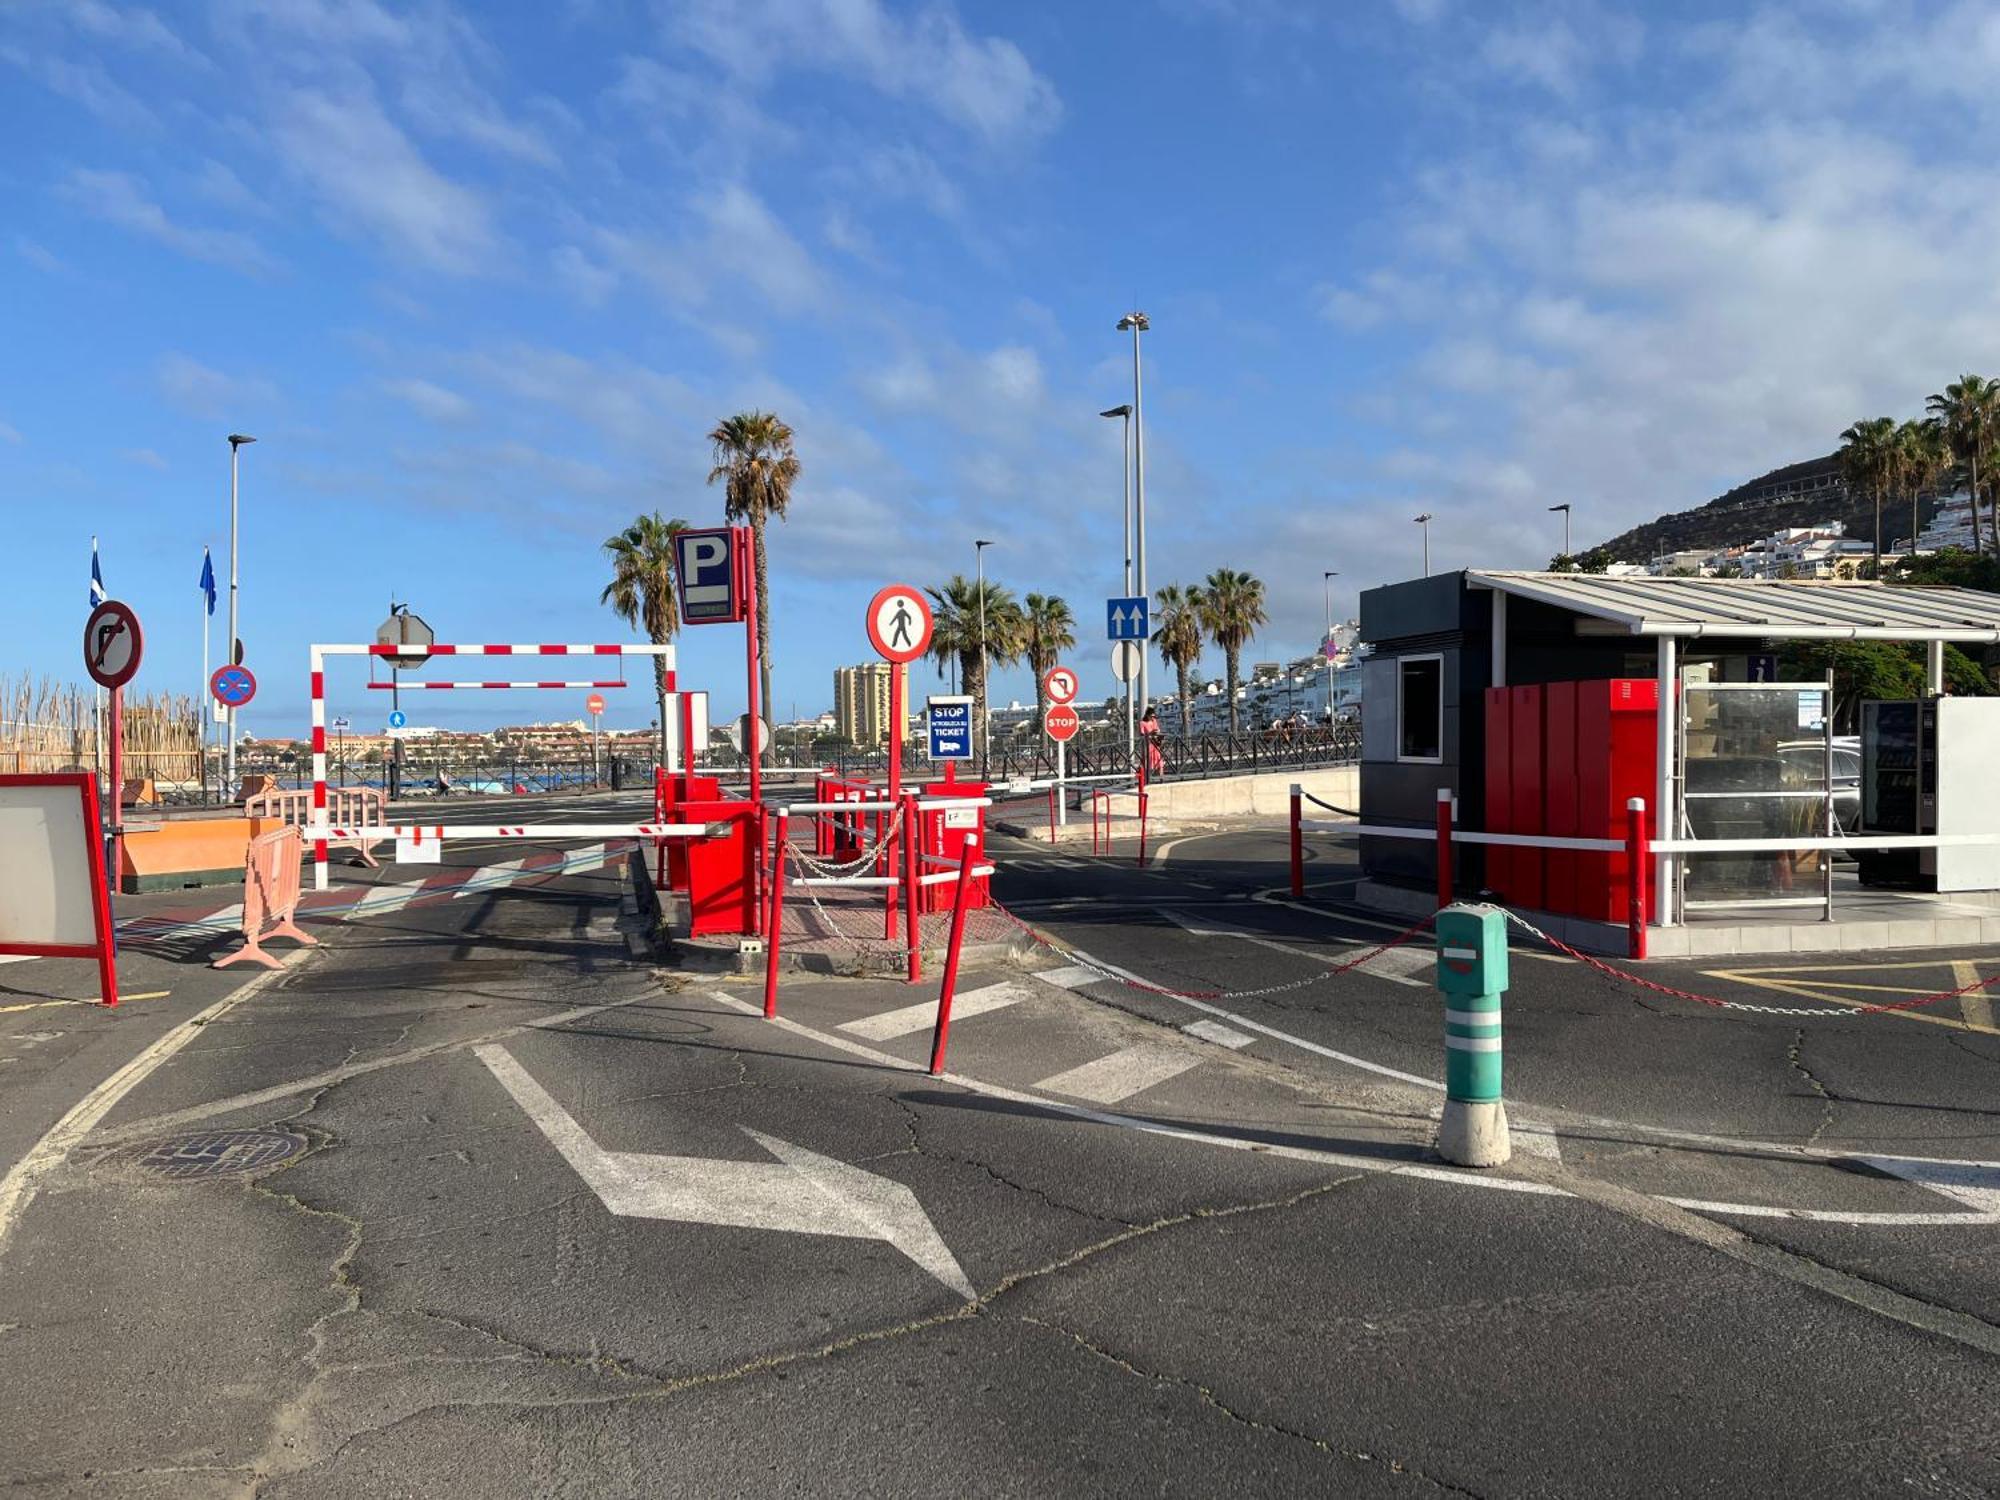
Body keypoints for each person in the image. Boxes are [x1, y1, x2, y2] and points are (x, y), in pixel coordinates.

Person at [1139, 709, 1165, 781]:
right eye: (1151, 716)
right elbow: (1142, 734)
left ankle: (1161, 779)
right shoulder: (1142, 723)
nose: (1153, 717)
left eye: (1154, 716)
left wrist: (1157, 733)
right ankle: (1146, 779)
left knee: (1159, 761)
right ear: (1147, 715)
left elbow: (1158, 730)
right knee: (1148, 762)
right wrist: (1150, 733)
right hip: (1148, 745)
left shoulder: (1154, 721)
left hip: (1155, 743)